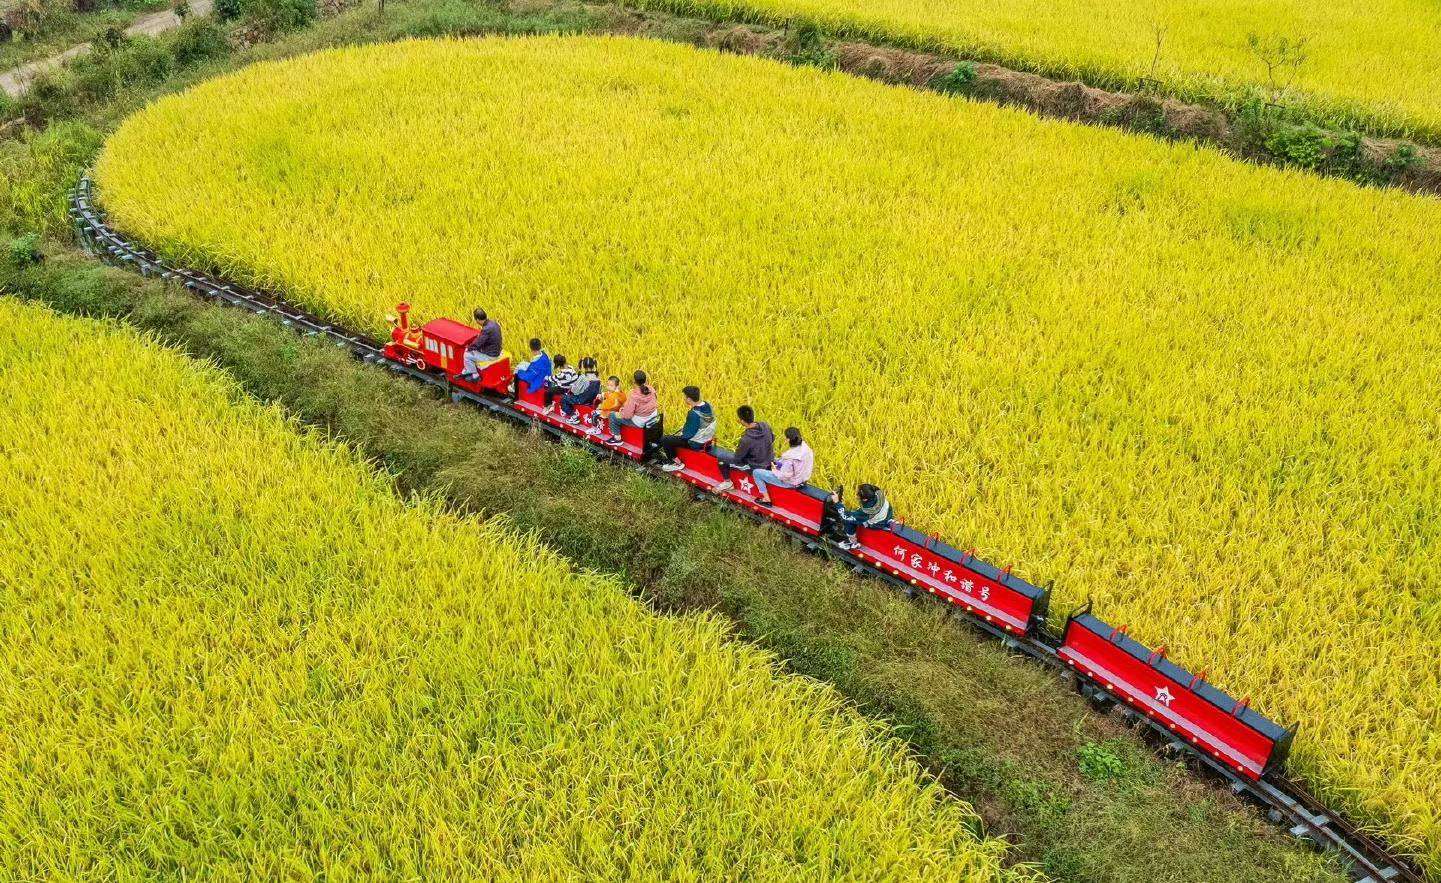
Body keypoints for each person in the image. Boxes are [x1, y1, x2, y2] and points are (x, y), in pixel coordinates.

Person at [711, 405, 773, 493]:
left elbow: (738, 458)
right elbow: (772, 439)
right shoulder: (765, 425)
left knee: (722, 457)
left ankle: (727, 483)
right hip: (769, 460)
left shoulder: (746, 439)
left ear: (742, 421)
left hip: (756, 466)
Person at [750, 427, 814, 505]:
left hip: (791, 482)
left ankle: (766, 499)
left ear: (787, 440)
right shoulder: (807, 449)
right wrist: (778, 463)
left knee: (757, 473)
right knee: (776, 460)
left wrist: (774, 469)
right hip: (802, 479)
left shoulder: (789, 457)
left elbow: (784, 476)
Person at [658, 386, 716, 471]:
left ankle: (676, 463)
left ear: (689, 399)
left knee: (665, 439)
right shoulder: (708, 405)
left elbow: (687, 435)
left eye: (684, 397)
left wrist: (682, 433)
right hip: (708, 439)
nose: (683, 399)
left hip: (696, 443)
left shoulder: (693, 414)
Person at [604, 370, 658, 446]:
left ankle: (617, 439)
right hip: (653, 418)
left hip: (640, 422)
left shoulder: (634, 395)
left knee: (612, 415)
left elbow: (627, 415)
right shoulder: (651, 389)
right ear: (645, 380)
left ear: (634, 381)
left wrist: (621, 411)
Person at [833, 483, 892, 550]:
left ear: (865, 499)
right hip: (887, 514)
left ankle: (852, 542)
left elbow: (845, 516)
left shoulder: (867, 511)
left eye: (858, 493)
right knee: (856, 514)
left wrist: (837, 503)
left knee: (848, 521)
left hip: (876, 524)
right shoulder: (878, 493)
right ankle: (888, 522)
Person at [458, 308, 502, 381]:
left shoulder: (486, 329)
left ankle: (475, 375)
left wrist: (469, 347)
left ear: (477, 319)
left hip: (491, 355)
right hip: (496, 350)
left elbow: (477, 344)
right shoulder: (494, 323)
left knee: (467, 355)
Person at [561, 357, 602, 424]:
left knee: (564, 399)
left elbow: (575, 391)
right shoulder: (597, 378)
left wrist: (572, 388)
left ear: (583, 366)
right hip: (592, 401)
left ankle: (573, 416)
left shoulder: (583, 377)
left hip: (582, 400)